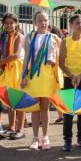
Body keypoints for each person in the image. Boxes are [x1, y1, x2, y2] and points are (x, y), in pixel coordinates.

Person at [21, 11, 60, 150]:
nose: (43, 23)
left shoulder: (54, 37)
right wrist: (23, 76)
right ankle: (35, 138)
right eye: (40, 20)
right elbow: (26, 58)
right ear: (34, 22)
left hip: (47, 76)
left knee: (45, 107)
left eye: (45, 20)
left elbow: (62, 56)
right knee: (35, 108)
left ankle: (45, 137)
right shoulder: (30, 37)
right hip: (33, 76)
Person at [59, 14, 81, 152]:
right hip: (69, 78)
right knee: (68, 111)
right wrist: (72, 75)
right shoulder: (64, 42)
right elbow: (61, 62)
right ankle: (67, 140)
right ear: (71, 26)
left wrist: (79, 76)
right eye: (77, 23)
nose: (80, 26)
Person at [0, 13, 25, 139]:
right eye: (6, 23)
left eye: (11, 22)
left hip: (17, 70)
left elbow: (16, 55)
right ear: (3, 25)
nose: (9, 25)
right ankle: (11, 127)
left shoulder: (19, 36)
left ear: (16, 23)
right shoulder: (2, 37)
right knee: (10, 101)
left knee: (19, 100)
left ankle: (21, 129)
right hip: (5, 70)